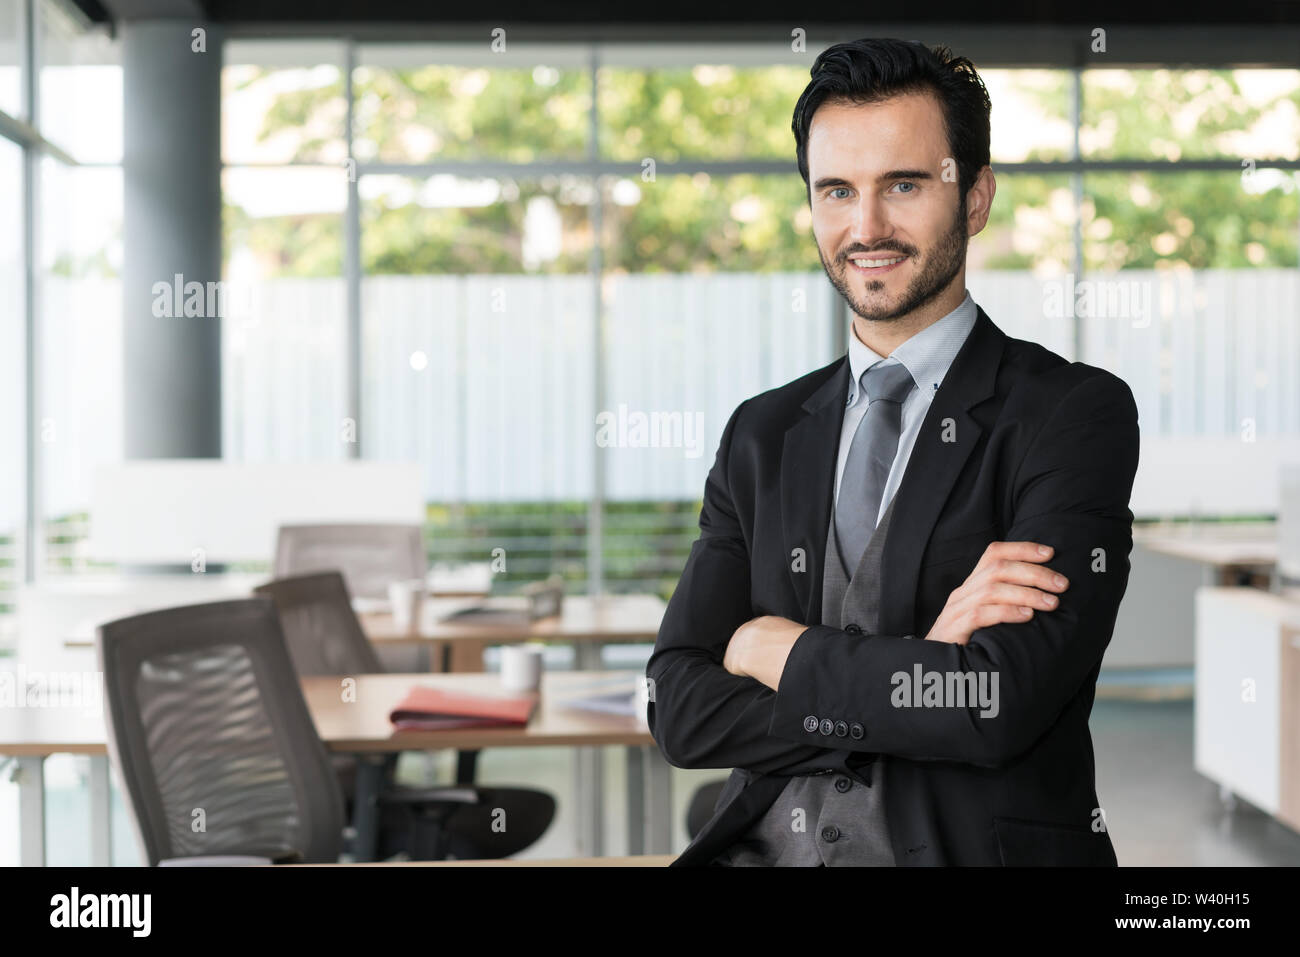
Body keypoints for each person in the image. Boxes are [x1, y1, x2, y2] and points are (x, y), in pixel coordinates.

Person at [645, 38, 1139, 866]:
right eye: (837, 190)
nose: (865, 226)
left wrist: (775, 649)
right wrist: (921, 667)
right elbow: (680, 707)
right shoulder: (763, 433)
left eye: (903, 185)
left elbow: (990, 702)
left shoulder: (1071, 414)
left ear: (974, 197)